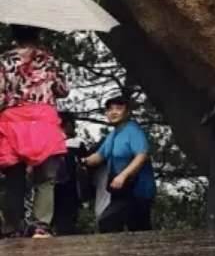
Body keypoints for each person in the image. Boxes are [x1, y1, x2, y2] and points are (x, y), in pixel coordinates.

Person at [0, 25, 69, 238]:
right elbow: (63, 90)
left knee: (13, 177)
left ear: (14, 35)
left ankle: (13, 227)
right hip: (44, 121)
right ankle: (41, 226)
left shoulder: (4, 60)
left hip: (13, 120)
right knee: (45, 178)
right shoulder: (49, 60)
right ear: (37, 34)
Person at [83, 92, 156, 232]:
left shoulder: (133, 130)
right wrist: (82, 160)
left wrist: (123, 176)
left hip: (138, 191)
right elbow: (99, 156)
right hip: (120, 192)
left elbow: (141, 156)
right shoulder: (112, 135)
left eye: (118, 108)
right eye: (110, 109)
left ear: (127, 112)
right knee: (115, 224)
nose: (113, 112)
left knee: (113, 223)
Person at [51, 111, 84, 237]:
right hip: (69, 192)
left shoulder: (48, 144)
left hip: (55, 192)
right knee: (66, 225)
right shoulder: (75, 144)